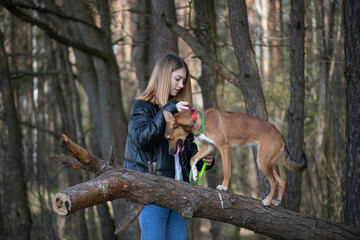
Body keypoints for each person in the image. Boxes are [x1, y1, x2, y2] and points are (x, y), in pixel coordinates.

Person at [123, 53, 214, 240]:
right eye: (177, 79)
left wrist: (203, 159)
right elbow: (142, 139)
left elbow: (188, 150)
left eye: (184, 81)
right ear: (164, 77)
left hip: (180, 192)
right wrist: (168, 110)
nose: (181, 85)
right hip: (152, 192)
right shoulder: (143, 107)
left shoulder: (182, 113)